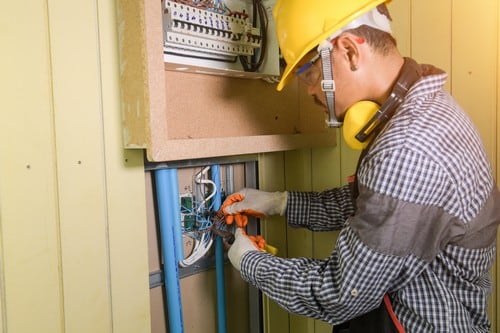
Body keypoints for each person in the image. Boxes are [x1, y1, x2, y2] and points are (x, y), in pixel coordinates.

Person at [221, 0, 500, 332]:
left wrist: (251, 263)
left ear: (350, 51)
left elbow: (342, 294)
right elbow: (372, 206)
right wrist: (279, 202)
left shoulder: (408, 149)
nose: (309, 90)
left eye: (308, 72)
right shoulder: (427, 109)